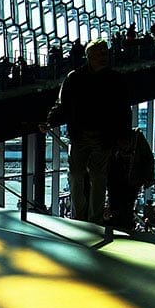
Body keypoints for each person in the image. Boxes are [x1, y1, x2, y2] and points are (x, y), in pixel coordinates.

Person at [43, 39, 131, 224]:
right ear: (89, 56)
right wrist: (50, 121)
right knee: (76, 175)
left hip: (102, 137)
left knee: (98, 178)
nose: (103, 57)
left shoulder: (114, 80)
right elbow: (63, 105)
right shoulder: (75, 78)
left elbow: (123, 109)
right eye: (100, 54)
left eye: (105, 53)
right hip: (81, 135)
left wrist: (123, 135)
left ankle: (93, 218)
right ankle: (82, 215)